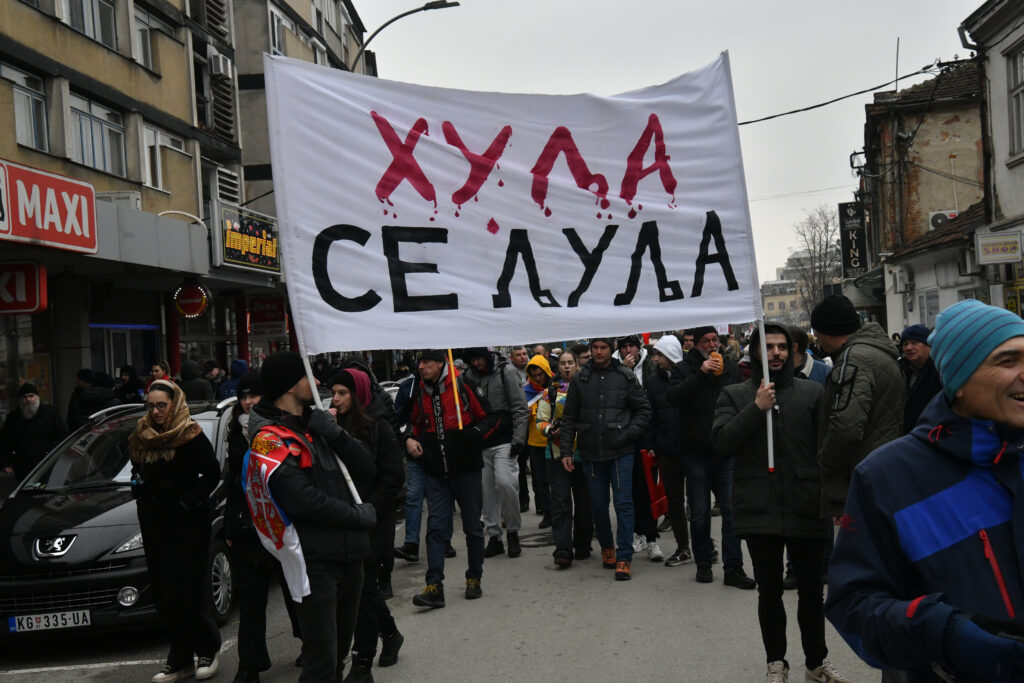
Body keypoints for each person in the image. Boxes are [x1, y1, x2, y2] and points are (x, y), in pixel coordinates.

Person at [826, 299, 1024, 682]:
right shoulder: (887, 478)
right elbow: (854, 606)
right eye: (1007, 361)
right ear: (960, 381)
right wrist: (945, 635)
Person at [713, 324, 849, 683]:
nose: (776, 353)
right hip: (759, 505)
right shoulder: (735, 394)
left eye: (782, 347)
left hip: (807, 504)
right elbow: (722, 443)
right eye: (768, 347)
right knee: (769, 592)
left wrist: (834, 498)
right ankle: (776, 662)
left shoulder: (812, 392)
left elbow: (828, 449)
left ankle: (816, 663)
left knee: (811, 593)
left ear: (792, 351)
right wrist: (757, 408)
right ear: (755, 352)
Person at [245, 352, 377, 683]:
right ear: (290, 386)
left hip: (350, 557)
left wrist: (334, 433)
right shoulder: (269, 438)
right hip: (314, 563)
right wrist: (356, 516)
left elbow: (367, 468)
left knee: (336, 661)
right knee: (320, 662)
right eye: (308, 376)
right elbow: (302, 500)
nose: (318, 383)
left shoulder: (317, 425)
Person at [129, 379, 222, 682]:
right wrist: (138, 486)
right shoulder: (141, 435)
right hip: (155, 523)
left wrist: (188, 502)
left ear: (174, 404)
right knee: (164, 591)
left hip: (188, 524)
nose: (155, 411)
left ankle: (207, 649)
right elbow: (136, 468)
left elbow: (211, 472)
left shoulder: (189, 433)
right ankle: (180, 656)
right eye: (151, 405)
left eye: (161, 405)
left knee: (189, 589)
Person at [403, 350, 497, 608]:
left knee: (472, 527)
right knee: (435, 529)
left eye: (426, 362)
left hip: (466, 469)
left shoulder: (464, 384)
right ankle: (435, 586)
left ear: (440, 362)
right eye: (420, 362)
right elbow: (412, 423)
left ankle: (474, 578)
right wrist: (410, 438)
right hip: (435, 471)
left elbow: (492, 417)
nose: (421, 367)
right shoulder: (419, 390)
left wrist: (475, 433)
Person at [224, 370, 301, 683]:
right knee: (252, 599)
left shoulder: (279, 426)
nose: (247, 402)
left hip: (281, 522)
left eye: (253, 395)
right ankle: (249, 664)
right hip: (248, 527)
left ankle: (312, 645)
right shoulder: (234, 433)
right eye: (243, 396)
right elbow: (232, 483)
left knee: (295, 588)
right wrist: (231, 526)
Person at [330, 369, 405, 682]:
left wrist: (369, 509)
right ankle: (390, 634)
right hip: (344, 520)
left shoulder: (379, 429)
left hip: (373, 520)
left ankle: (362, 663)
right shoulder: (331, 427)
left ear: (358, 395)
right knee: (362, 592)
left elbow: (392, 478)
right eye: (333, 392)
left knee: (362, 592)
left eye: (342, 393)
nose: (335, 399)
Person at [668, 326, 756, 589]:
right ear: (695, 345)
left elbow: (741, 399)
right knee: (700, 512)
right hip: (695, 452)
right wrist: (701, 373)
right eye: (705, 341)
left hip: (726, 450)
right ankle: (703, 563)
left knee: (731, 510)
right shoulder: (684, 369)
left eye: (715, 340)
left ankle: (733, 568)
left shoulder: (731, 367)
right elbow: (674, 397)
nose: (711, 344)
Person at [560, 337, 651, 581]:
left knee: (623, 504)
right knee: (598, 506)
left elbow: (644, 410)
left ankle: (624, 556)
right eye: (595, 348)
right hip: (590, 452)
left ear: (611, 350)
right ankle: (607, 547)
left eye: (603, 348)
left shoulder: (625, 376)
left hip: (621, 452)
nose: (599, 352)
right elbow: (569, 418)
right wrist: (567, 451)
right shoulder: (580, 379)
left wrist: (629, 433)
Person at [810, 295, 904, 521]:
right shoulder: (878, 351)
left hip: (863, 474)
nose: (817, 342)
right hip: (883, 467)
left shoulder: (854, 359)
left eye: (818, 334)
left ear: (828, 332)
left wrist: (824, 463)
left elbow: (846, 428)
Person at [537, 350, 592, 567]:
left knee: (584, 502)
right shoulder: (550, 392)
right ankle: (562, 548)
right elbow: (540, 420)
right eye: (563, 363)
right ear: (557, 367)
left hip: (585, 453)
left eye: (570, 363)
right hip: (557, 455)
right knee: (560, 503)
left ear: (577, 365)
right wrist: (551, 431)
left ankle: (583, 543)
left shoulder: (586, 388)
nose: (567, 366)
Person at [645, 335, 692, 566]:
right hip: (666, 450)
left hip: (692, 449)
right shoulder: (653, 382)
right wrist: (652, 444)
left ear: (671, 355)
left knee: (698, 501)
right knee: (675, 501)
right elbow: (651, 415)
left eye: (660, 355)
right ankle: (683, 547)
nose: (656, 359)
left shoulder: (691, 376)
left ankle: (704, 546)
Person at [614, 334, 661, 559]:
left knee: (648, 489)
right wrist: (623, 371)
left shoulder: (650, 366)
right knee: (627, 491)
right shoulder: (614, 368)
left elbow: (654, 403)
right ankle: (635, 534)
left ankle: (652, 538)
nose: (629, 350)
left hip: (645, 436)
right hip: (623, 437)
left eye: (632, 345)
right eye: (624, 346)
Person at [0, 383, 67, 480]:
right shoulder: (13, 418)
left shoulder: (51, 414)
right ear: (20, 400)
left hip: (46, 463)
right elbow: (5, 442)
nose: (28, 400)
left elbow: (62, 435)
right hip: (23, 466)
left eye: (31, 396)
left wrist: (52, 453)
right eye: (24, 397)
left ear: (37, 397)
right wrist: (5, 463)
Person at [898, 324, 943, 434]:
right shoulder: (900, 369)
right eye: (905, 344)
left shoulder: (939, 370)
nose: (909, 347)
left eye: (914, 343)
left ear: (928, 345)